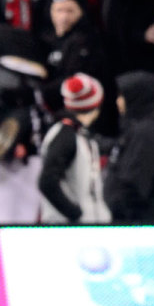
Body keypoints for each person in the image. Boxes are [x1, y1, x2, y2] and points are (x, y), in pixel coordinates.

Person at [37, 73, 111, 224]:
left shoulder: (79, 134)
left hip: (83, 226)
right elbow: (47, 182)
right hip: (68, 228)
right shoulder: (66, 136)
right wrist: (75, 214)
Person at [105, 71, 154, 224]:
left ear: (137, 97)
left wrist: (115, 208)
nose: (118, 102)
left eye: (122, 96)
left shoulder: (147, 133)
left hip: (138, 225)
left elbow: (133, 187)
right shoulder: (145, 128)